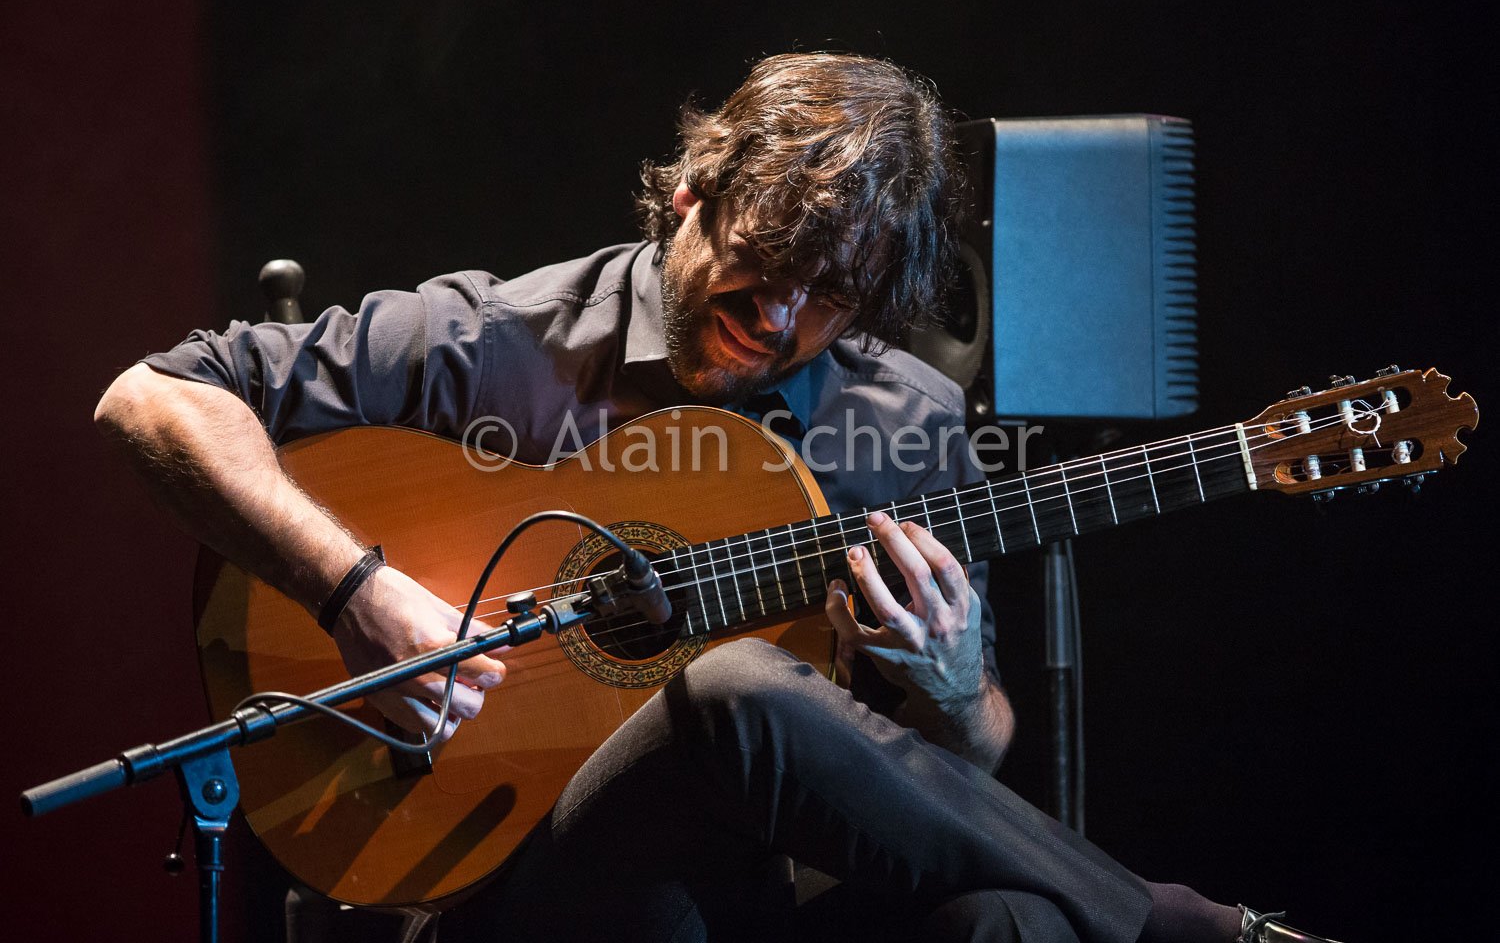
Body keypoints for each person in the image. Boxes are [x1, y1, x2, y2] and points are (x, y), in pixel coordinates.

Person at [94, 53, 1339, 943]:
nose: (778, 319)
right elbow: (150, 398)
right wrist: (355, 589)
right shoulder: (496, 342)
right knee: (731, 686)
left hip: (768, 899)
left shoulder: (905, 423)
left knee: (1013, 918)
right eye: (761, 267)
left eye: (826, 297)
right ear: (694, 191)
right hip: (503, 881)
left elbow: (965, 761)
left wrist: (957, 687)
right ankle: (1182, 926)